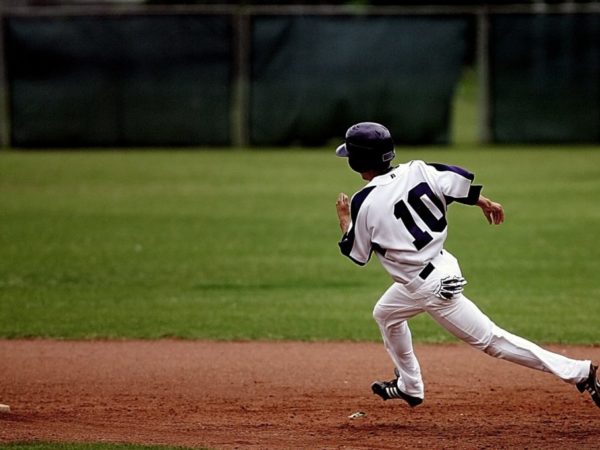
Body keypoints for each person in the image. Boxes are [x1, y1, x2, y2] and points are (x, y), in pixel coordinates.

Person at [334, 121, 599, 409]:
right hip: (438, 269)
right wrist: (484, 201)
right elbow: (455, 185)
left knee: (492, 341)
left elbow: (357, 254)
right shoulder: (418, 169)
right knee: (385, 314)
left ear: (359, 161)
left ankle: (579, 372)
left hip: (428, 287)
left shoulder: (365, 201)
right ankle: (410, 385)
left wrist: (345, 219)